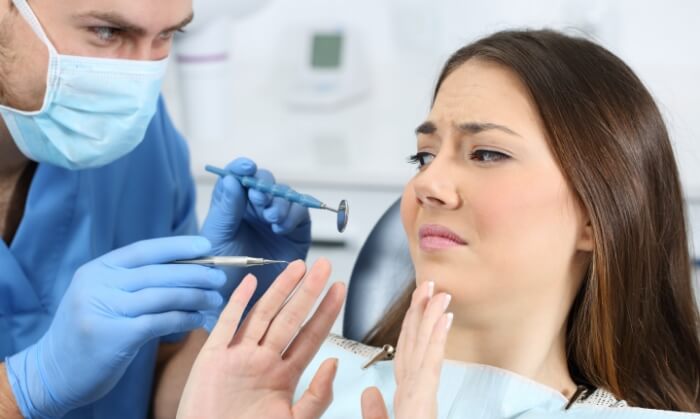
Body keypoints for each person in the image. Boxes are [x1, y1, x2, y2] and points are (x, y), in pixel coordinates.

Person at [174, 29, 700, 417]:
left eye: (488, 154)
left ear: (595, 216)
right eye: (423, 157)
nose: (427, 185)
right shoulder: (285, 379)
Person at [0, 0, 311, 418]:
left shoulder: (136, 135)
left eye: (167, 35)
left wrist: (225, 314)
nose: (138, 77)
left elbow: (163, 385)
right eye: (107, 33)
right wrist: (22, 390)